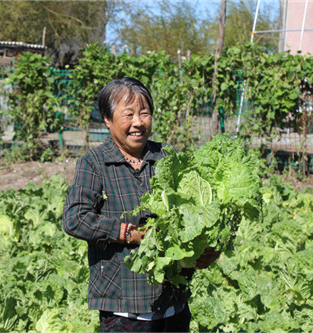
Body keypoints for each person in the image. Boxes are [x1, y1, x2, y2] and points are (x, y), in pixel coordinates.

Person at [62, 77, 218, 332]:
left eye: (144, 113)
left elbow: (197, 213)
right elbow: (75, 219)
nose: (138, 122)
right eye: (128, 114)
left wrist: (208, 248)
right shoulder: (95, 163)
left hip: (174, 303)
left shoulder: (168, 157)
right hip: (124, 308)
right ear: (107, 119)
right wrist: (127, 233)